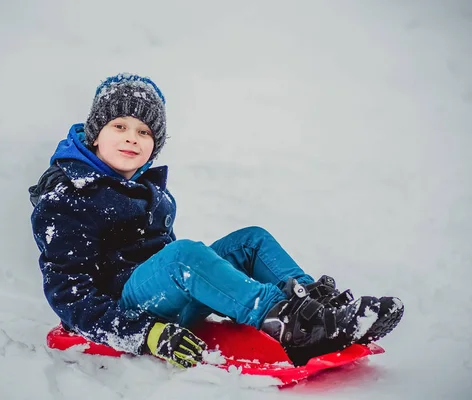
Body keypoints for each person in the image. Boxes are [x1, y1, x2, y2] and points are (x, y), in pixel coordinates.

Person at [29, 73, 403, 368]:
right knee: (182, 255)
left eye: (144, 132)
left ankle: (316, 311)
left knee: (251, 240)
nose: (132, 139)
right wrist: (145, 334)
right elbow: (69, 292)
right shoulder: (68, 198)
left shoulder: (144, 189)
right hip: (124, 309)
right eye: (119, 127)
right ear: (96, 135)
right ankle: (288, 324)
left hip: (160, 292)